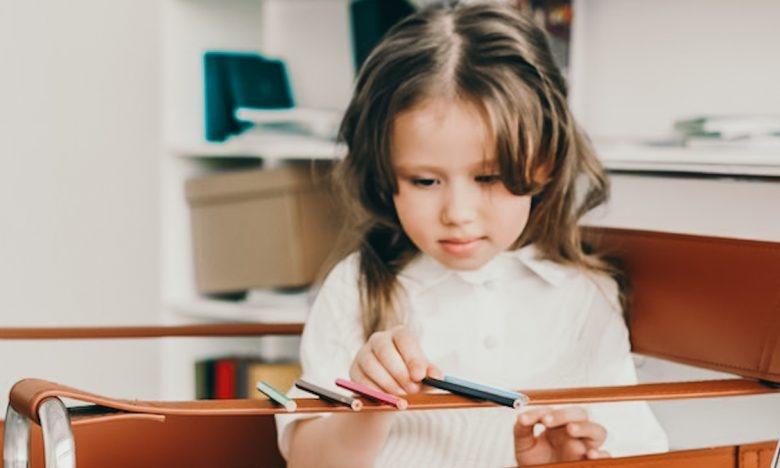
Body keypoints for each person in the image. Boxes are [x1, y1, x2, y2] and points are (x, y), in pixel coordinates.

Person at [276, 1, 669, 466]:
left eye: (489, 178)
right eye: (425, 181)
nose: (458, 214)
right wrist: (367, 404)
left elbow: (633, 448)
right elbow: (306, 460)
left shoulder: (585, 295)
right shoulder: (357, 286)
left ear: (543, 164)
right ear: (386, 174)